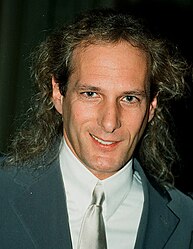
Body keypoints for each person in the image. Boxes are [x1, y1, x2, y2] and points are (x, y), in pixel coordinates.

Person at [0, 8, 193, 249]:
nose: (110, 123)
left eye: (129, 98)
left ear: (152, 107)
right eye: (91, 94)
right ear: (58, 94)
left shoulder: (187, 223)